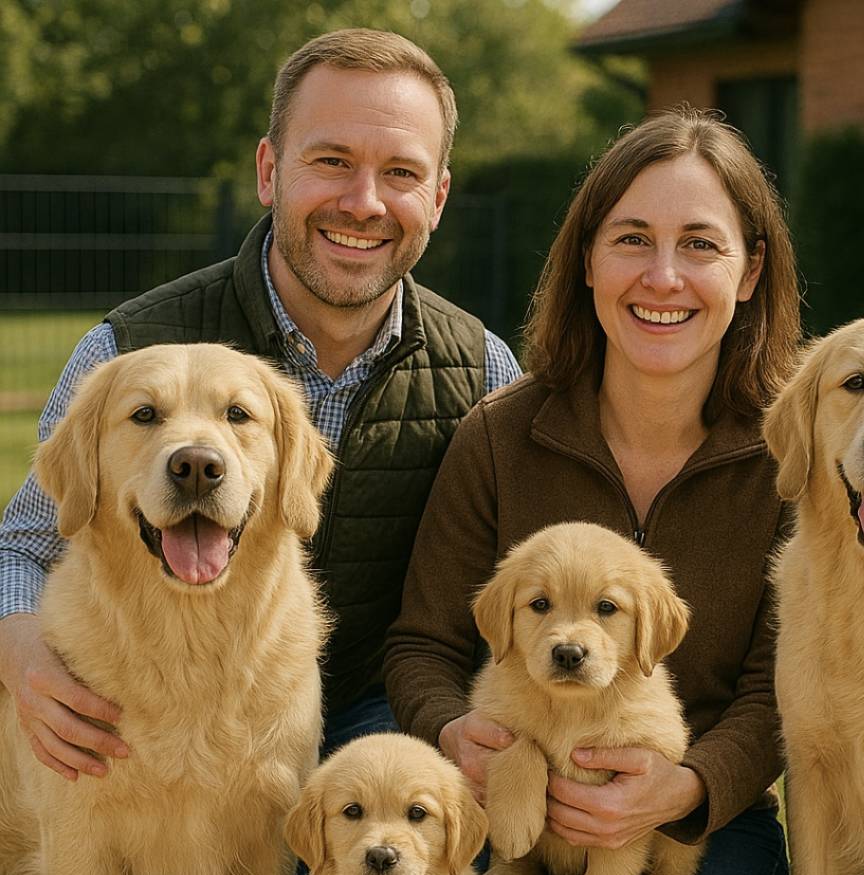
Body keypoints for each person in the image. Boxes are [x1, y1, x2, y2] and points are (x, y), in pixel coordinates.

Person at [0, 28, 520, 781]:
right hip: (167, 731)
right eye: (331, 160)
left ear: (437, 197)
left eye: (401, 172)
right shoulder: (126, 349)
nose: (363, 202)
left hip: (386, 729)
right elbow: (21, 543)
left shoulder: (484, 369)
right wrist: (21, 651)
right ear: (270, 170)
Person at [383, 105, 801, 875]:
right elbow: (421, 646)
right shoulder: (500, 436)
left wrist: (683, 787)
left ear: (750, 269)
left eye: (700, 244)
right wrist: (460, 737)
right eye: (632, 239)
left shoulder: (792, 461)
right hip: (508, 822)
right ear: (586, 258)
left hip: (703, 825)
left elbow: (783, 694)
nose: (662, 275)